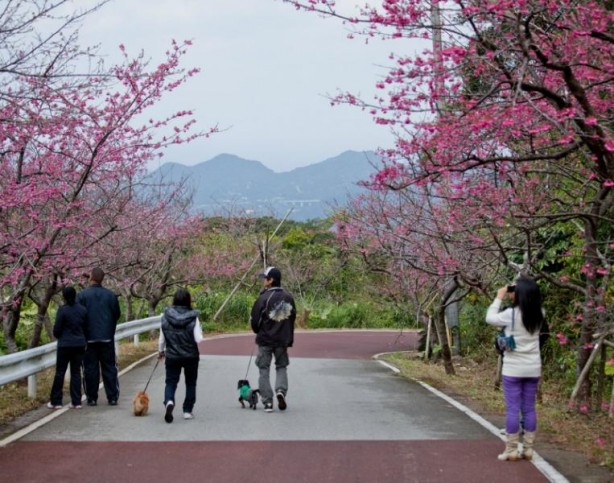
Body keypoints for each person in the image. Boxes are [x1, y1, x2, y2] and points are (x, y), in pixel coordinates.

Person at [486, 277, 545, 461]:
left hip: (513, 369)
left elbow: (490, 318)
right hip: (533, 368)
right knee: (529, 408)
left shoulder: (510, 314)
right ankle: (528, 449)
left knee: (512, 408)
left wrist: (499, 297)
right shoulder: (541, 313)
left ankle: (511, 449)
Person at [250, 266, 296, 413]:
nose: (263, 281)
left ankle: (268, 402)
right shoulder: (289, 297)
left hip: (265, 340)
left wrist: (258, 330)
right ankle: (281, 391)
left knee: (264, 369)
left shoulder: (263, 298)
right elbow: (292, 318)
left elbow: (255, 322)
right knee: (281, 366)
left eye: (265, 278)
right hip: (282, 340)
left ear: (271, 280)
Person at [158, 288, 203, 423]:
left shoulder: (165, 316)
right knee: (190, 383)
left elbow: (161, 339)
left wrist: (161, 352)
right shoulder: (193, 317)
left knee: (170, 382)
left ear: (174, 300)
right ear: (188, 300)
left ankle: (169, 401)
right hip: (191, 356)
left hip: (172, 355)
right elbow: (199, 339)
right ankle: (187, 411)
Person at [77, 267, 121, 406]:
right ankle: (112, 397)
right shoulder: (111, 295)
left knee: (90, 369)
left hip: (88, 338)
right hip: (107, 337)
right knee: (109, 367)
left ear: (90, 278)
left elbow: (79, 316)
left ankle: (91, 398)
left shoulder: (82, 296)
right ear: (102, 279)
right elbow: (117, 314)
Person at [47, 286, 88, 410]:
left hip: (65, 344)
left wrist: (61, 336)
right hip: (79, 344)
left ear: (64, 296)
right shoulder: (83, 310)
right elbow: (86, 328)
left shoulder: (63, 310)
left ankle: (56, 401)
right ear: (75, 295)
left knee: (60, 372)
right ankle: (76, 401)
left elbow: (57, 330)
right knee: (76, 372)